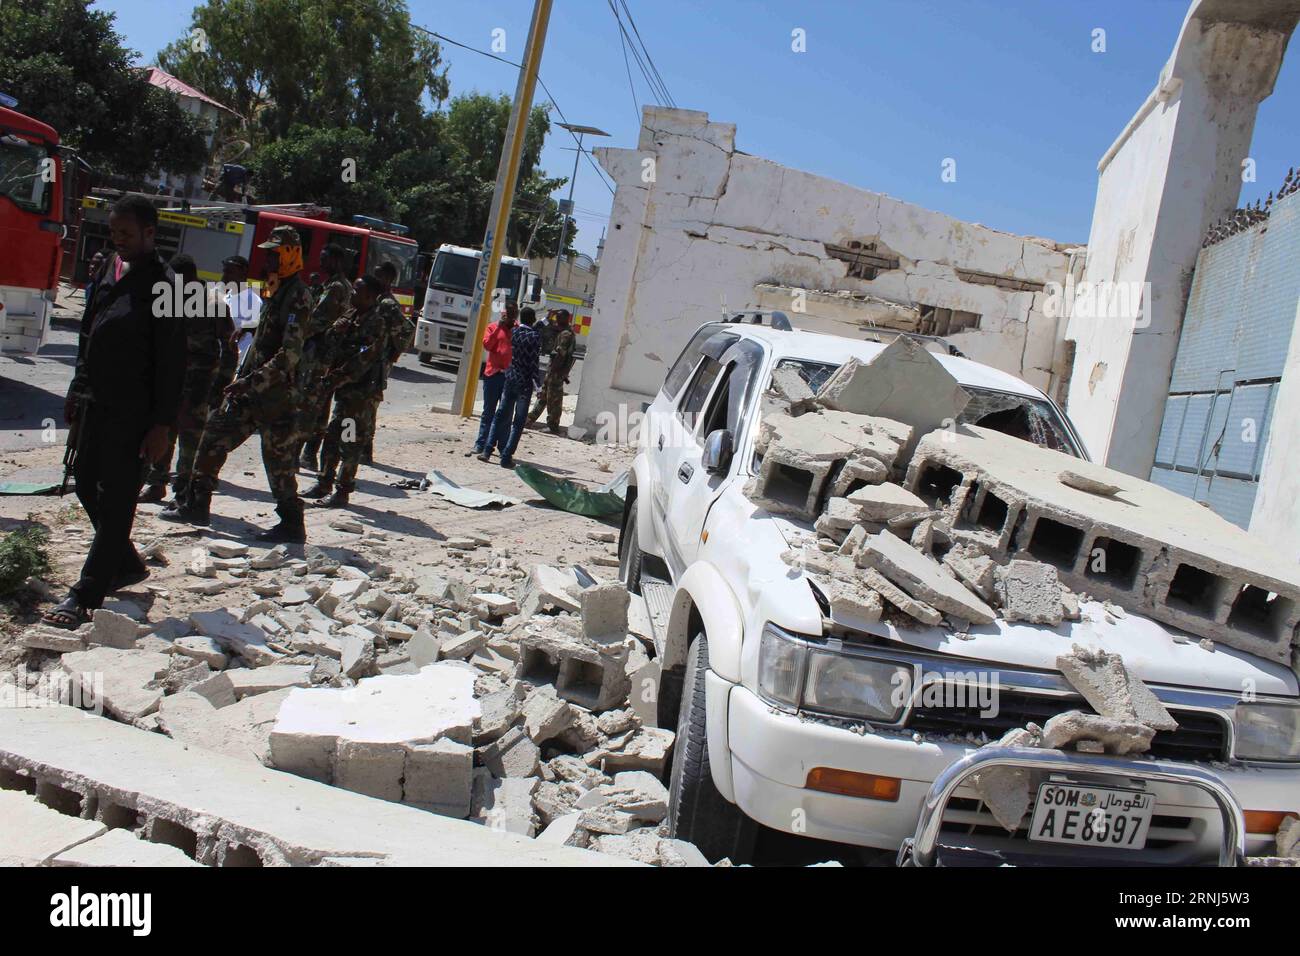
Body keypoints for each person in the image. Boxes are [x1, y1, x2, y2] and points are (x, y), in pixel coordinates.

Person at [42, 196, 185, 629]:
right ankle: (124, 561)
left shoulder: (168, 284)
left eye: (126, 233)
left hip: (136, 414)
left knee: (118, 499)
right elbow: (88, 334)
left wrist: (162, 425)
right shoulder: (110, 269)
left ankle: (84, 595)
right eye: (114, 232)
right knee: (85, 483)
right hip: (94, 406)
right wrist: (75, 389)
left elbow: (173, 362)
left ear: (149, 233)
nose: (118, 240)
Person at [162, 224, 314, 542]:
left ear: (289, 254)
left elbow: (290, 353)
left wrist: (252, 381)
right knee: (213, 437)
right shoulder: (274, 286)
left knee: (279, 463)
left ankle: (291, 524)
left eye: (274, 254)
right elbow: (268, 328)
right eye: (268, 255)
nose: (268, 261)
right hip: (249, 389)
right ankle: (196, 505)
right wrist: (249, 331)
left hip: (277, 395)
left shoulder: (299, 295)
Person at [139, 254, 234, 504]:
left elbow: (229, 348)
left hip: (200, 385)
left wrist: (222, 385)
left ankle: (183, 492)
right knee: (164, 432)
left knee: (190, 440)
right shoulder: (170, 300)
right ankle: (157, 483)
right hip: (173, 382)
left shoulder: (214, 303)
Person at [303, 275, 387, 508]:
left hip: (359, 395)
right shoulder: (350, 315)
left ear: (369, 297)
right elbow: (329, 341)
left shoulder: (376, 323)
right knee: (331, 437)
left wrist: (335, 379)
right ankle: (324, 483)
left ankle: (342, 491)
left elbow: (363, 360)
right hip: (343, 391)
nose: (351, 295)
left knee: (349, 440)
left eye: (357, 291)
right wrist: (335, 330)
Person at [298, 244, 352, 471]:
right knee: (320, 406)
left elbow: (318, 320)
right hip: (328, 355)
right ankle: (309, 455)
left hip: (321, 355)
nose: (320, 263)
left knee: (311, 404)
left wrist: (297, 335)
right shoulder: (334, 285)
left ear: (336, 261)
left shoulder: (337, 288)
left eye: (325, 259)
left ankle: (302, 453)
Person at [360, 260, 415, 464]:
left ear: (389, 279)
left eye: (379, 275)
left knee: (369, 407)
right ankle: (357, 449)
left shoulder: (387, 304)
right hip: (365, 362)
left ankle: (365, 451)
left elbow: (407, 330)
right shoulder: (374, 299)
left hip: (376, 365)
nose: (375, 278)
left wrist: (393, 354)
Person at [480, 306, 543, 468]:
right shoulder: (535, 337)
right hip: (524, 383)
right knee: (518, 421)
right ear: (533, 319)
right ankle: (506, 456)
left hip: (510, 379)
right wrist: (539, 388)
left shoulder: (514, 333)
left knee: (500, 414)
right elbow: (533, 364)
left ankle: (487, 450)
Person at [468, 302, 517, 457]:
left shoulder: (518, 329)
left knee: (506, 413)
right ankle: (480, 444)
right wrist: (498, 329)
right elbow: (487, 345)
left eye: (513, 314)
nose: (510, 318)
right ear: (503, 314)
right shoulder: (493, 327)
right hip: (493, 375)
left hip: (510, 377)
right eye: (508, 314)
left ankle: (503, 447)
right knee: (488, 412)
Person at [528, 309, 575, 433]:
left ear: (566, 319)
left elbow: (561, 354)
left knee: (554, 400)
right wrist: (549, 317)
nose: (557, 320)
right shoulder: (561, 330)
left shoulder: (566, 334)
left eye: (559, 318)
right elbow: (545, 328)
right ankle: (529, 419)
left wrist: (555, 371)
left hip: (556, 371)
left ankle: (553, 425)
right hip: (553, 370)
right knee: (543, 396)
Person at [221, 254, 261, 367]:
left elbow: (251, 337)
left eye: (229, 272)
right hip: (219, 362)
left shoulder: (253, 301)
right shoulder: (223, 298)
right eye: (224, 271)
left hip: (236, 365)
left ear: (243, 272)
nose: (225, 276)